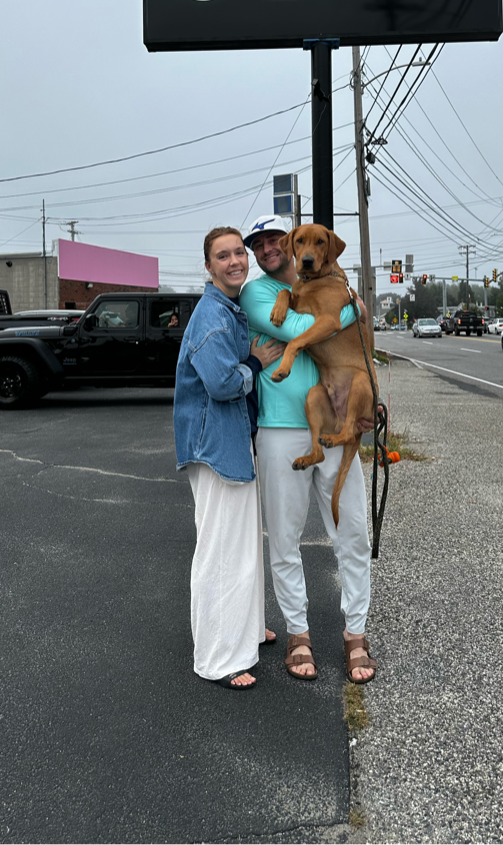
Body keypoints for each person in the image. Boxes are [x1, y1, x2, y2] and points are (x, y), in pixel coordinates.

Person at [239, 215, 377, 684]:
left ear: (292, 242)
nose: (268, 248)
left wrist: (372, 402)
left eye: (274, 239)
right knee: (284, 538)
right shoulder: (257, 293)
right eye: (258, 244)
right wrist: (353, 308)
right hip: (279, 429)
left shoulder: (325, 282)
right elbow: (300, 324)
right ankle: (298, 634)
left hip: (334, 421)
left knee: (353, 533)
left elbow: (353, 347)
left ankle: (356, 633)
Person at [174, 226, 284, 690]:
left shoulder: (228, 308)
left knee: (243, 545)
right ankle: (218, 658)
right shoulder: (213, 318)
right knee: (221, 552)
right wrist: (255, 363)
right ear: (209, 266)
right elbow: (222, 384)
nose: (236, 260)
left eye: (240, 252)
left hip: (233, 441)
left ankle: (245, 631)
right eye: (224, 256)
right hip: (215, 447)